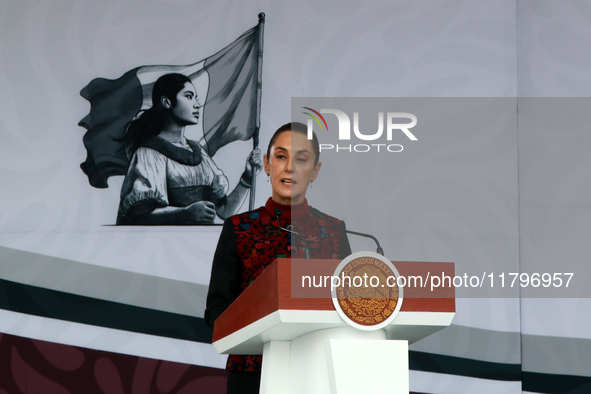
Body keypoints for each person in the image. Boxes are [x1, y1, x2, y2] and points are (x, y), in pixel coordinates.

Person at [205, 122, 352, 394]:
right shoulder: (238, 229)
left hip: (319, 371)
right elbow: (217, 311)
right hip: (252, 373)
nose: (289, 167)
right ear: (267, 164)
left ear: (315, 171)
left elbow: (350, 307)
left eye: (301, 159)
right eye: (281, 156)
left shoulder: (333, 231)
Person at [116, 73, 262, 225]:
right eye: (189, 96)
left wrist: (247, 177)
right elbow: (139, 216)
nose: (197, 104)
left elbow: (224, 211)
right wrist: (183, 214)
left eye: (195, 97)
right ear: (166, 102)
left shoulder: (197, 151)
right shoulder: (149, 153)